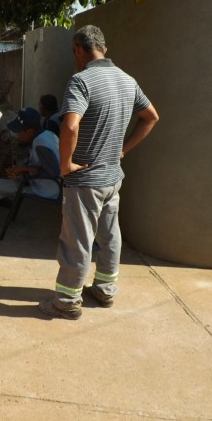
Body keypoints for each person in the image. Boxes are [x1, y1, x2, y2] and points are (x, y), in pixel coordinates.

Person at [38, 25, 159, 320]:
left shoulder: (81, 80)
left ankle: (67, 301)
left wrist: (65, 165)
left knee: (77, 239)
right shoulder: (128, 81)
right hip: (112, 178)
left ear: (78, 49)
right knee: (109, 234)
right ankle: (105, 290)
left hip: (85, 181)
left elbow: (69, 125)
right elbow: (151, 117)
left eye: (73, 53)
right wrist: (123, 150)